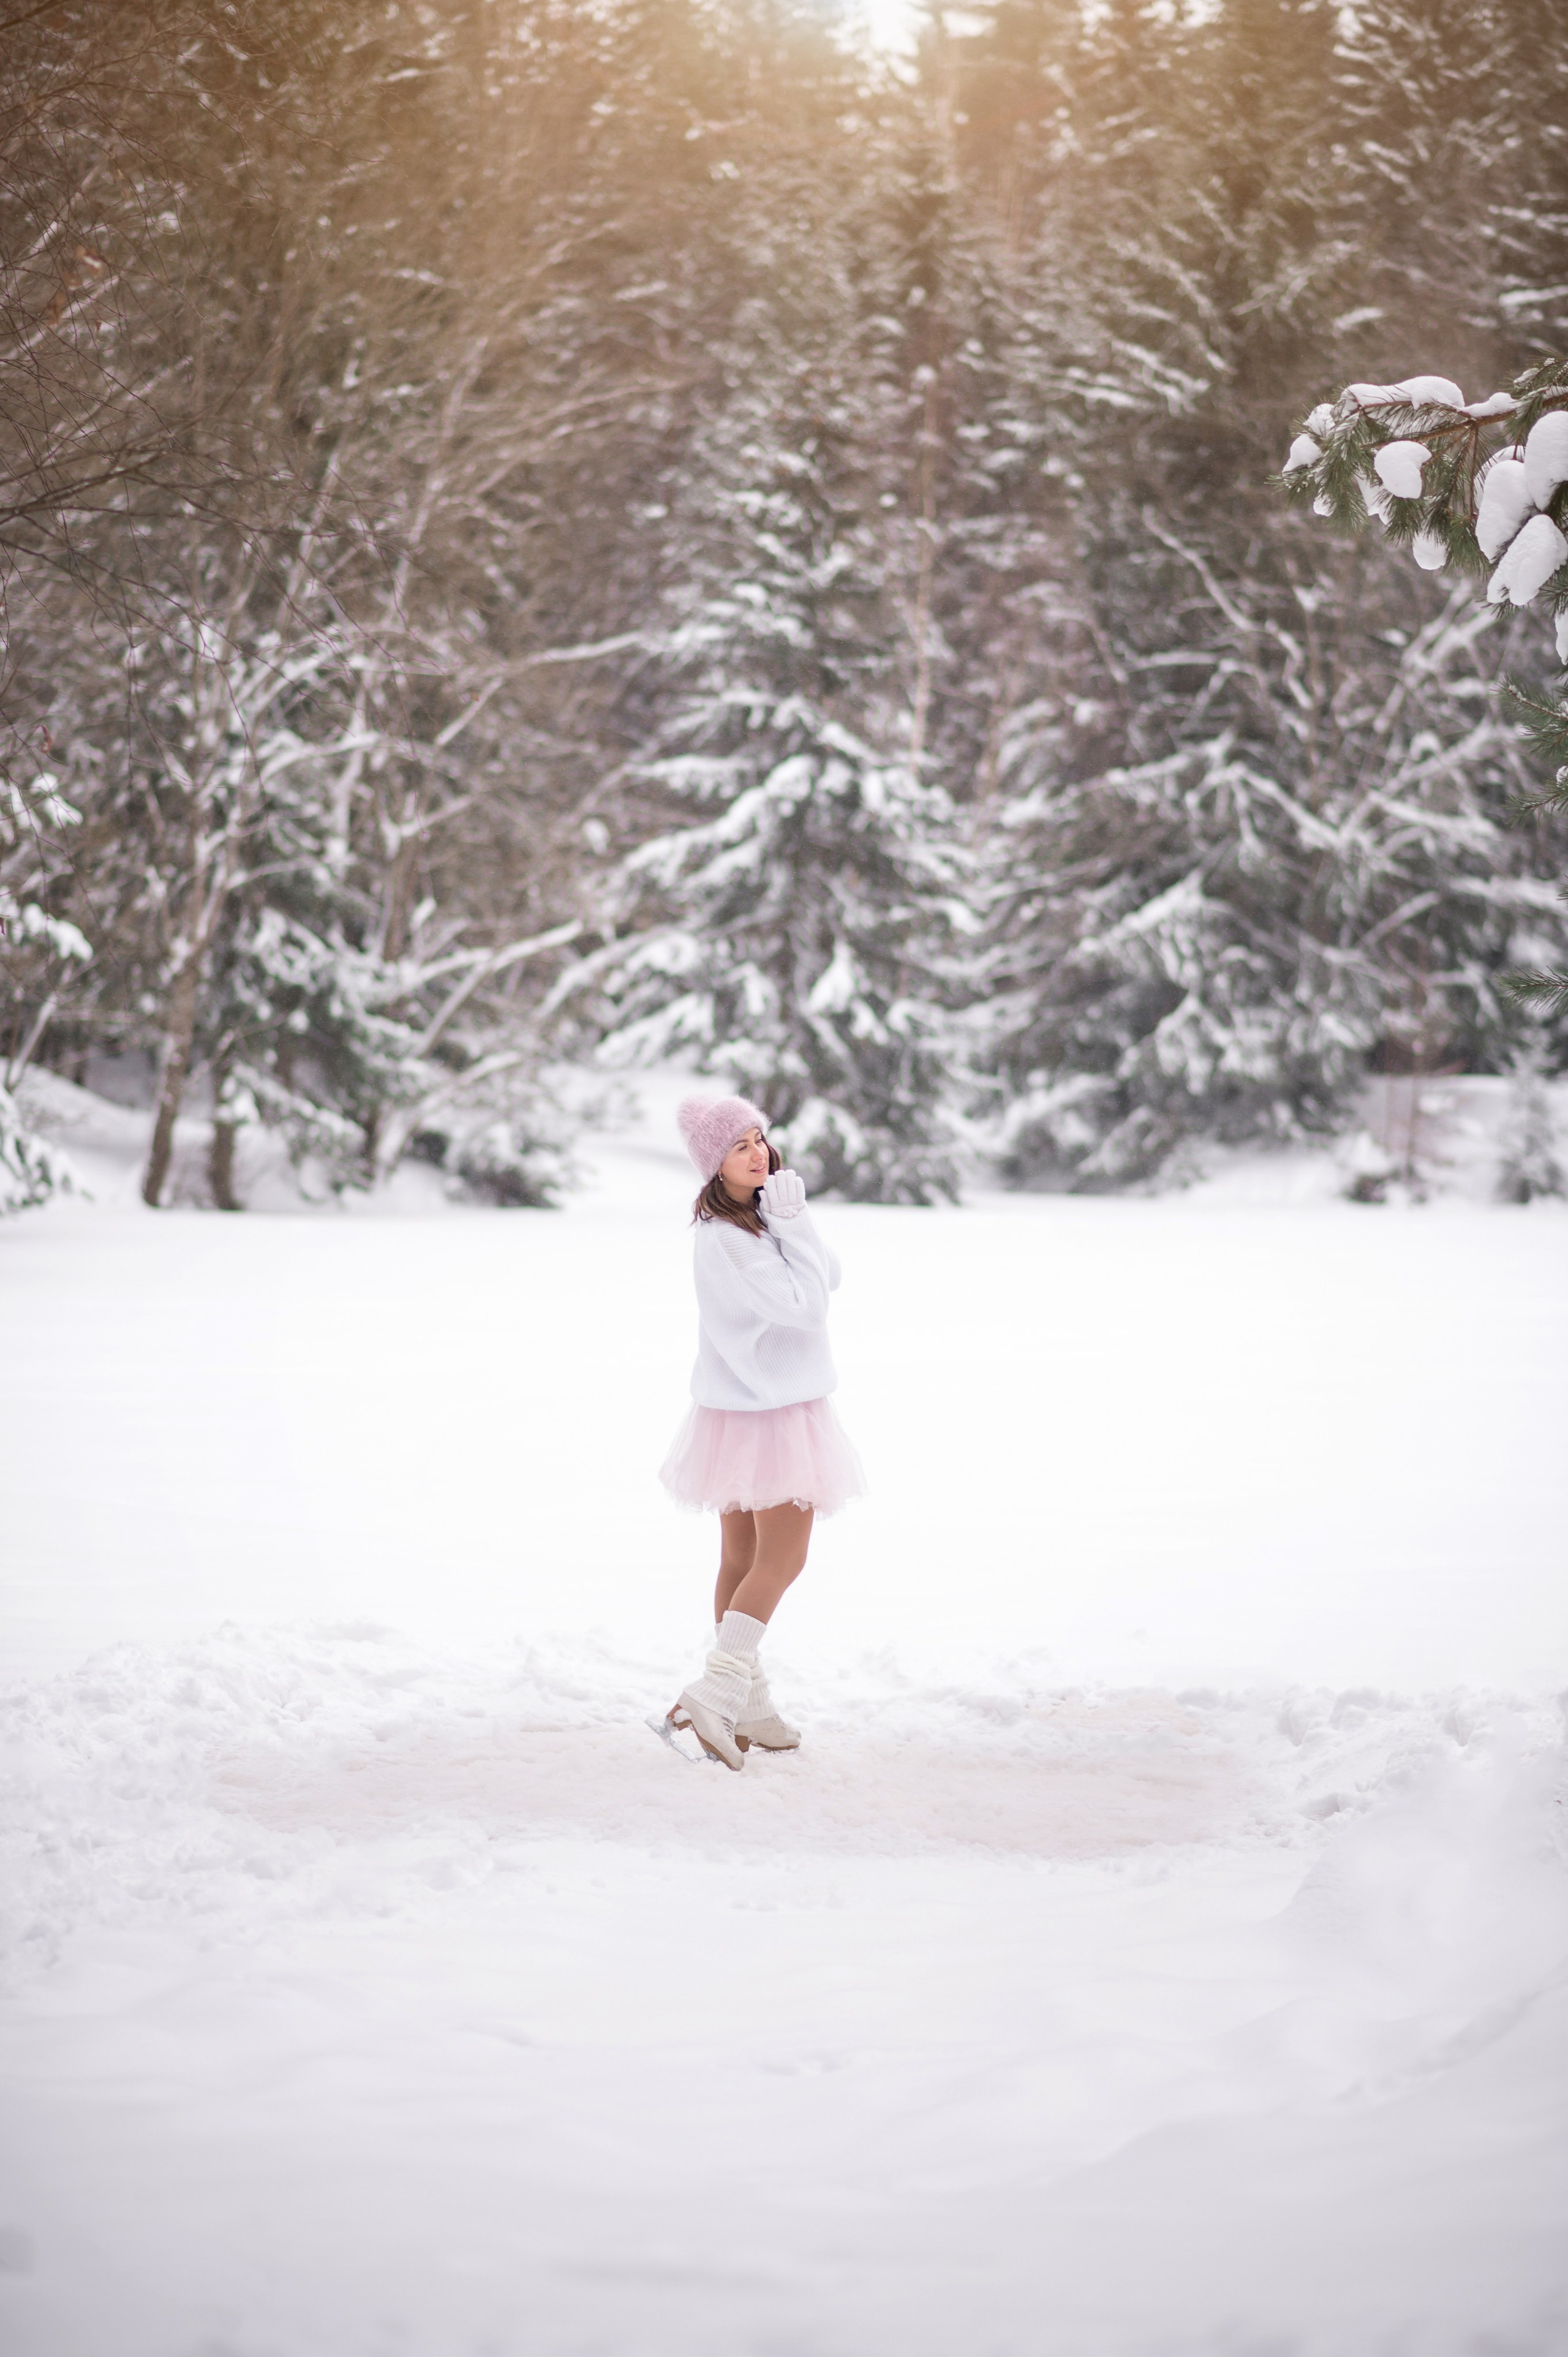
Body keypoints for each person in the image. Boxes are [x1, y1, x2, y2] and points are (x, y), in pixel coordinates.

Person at [657, 1095, 865, 1768]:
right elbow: (808, 1307)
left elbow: (829, 1273)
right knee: (782, 1560)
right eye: (739, 1145)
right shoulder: (728, 1237)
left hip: (742, 1413)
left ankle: (747, 1702)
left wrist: (788, 1217)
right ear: (713, 1165)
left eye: (759, 1138)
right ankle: (716, 1691)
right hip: (772, 1415)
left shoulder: (753, 1222)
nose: (757, 1152)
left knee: (743, 1560)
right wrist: (792, 1224)